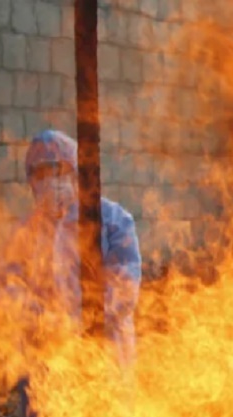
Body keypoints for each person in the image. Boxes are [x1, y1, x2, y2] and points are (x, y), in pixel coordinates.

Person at [12, 129, 143, 369]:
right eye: (41, 175)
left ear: (75, 174)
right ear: (31, 181)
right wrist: (39, 320)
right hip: (47, 361)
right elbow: (12, 288)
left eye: (58, 172)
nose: (51, 182)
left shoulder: (112, 219)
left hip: (105, 355)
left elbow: (124, 289)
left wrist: (76, 320)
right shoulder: (25, 232)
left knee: (98, 405)